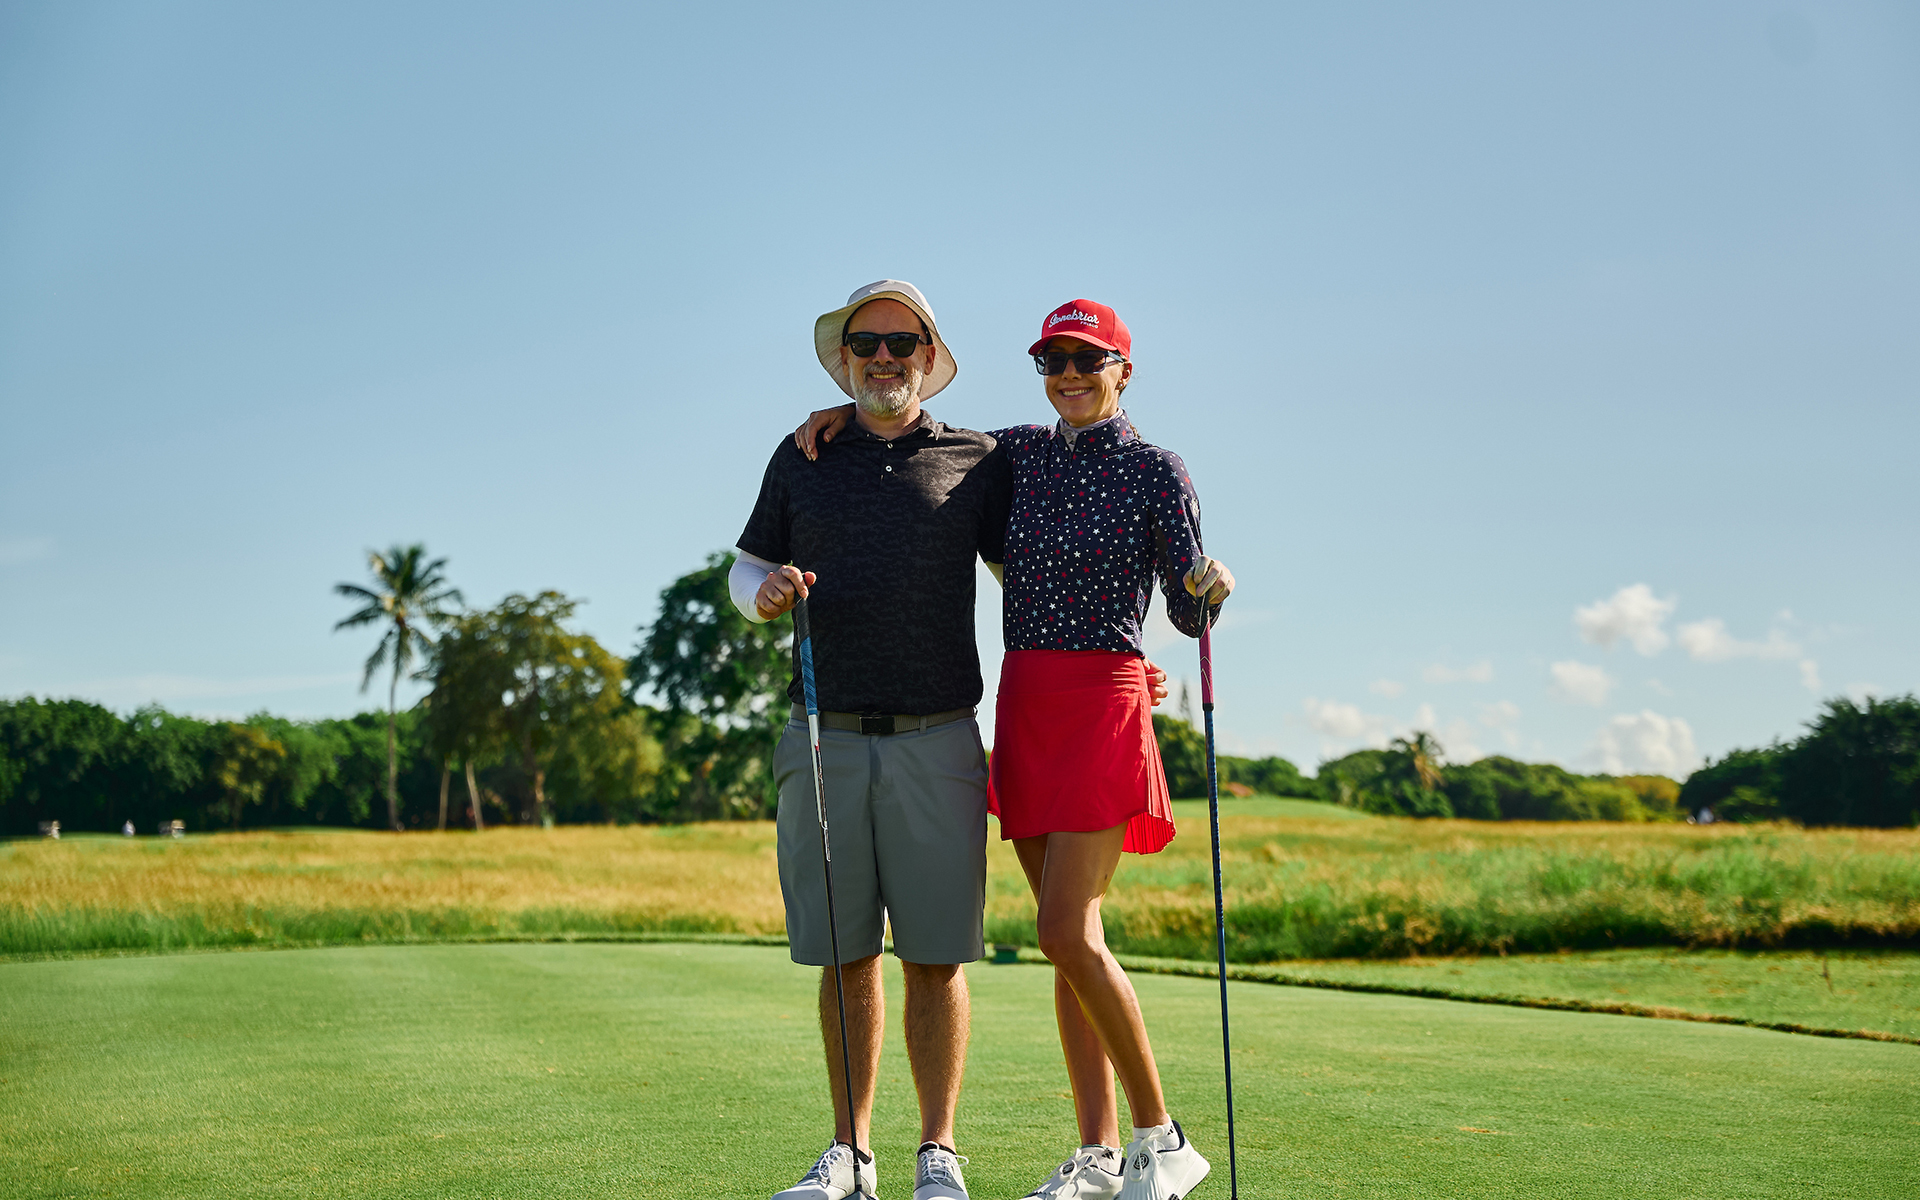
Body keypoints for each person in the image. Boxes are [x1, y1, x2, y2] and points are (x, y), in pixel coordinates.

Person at [796, 298, 1234, 1200]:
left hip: (1102, 701)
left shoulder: (1158, 469)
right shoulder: (1016, 454)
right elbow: (916, 432)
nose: (1067, 375)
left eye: (1086, 359)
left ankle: (1162, 1138)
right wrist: (847, 408)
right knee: (1073, 943)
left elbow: (1186, 611)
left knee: (1064, 929)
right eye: (1052, 361)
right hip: (1026, 699)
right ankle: (1099, 1155)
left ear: (1122, 369)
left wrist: (1210, 587)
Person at [729, 280, 1010, 1200]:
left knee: (934, 956)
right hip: (824, 737)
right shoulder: (802, 453)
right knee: (846, 953)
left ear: (928, 355)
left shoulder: (980, 458)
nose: (883, 357)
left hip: (940, 736)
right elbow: (747, 565)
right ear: (845, 357)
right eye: (865, 343)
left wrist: (1122, 652)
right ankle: (850, 1153)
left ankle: (939, 1153)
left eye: (900, 342)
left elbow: (1027, 568)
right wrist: (763, 594)